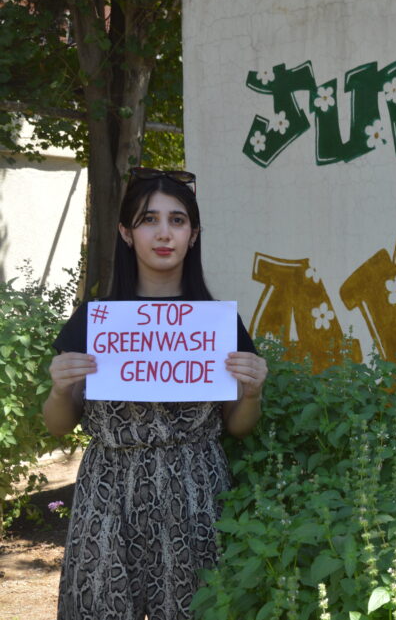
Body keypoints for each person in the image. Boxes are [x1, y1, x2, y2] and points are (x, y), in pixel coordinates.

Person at [44, 167, 267, 620]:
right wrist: (60, 388)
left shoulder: (216, 325)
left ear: (194, 234)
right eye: (149, 220)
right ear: (127, 233)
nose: (164, 233)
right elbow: (58, 423)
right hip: (107, 492)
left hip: (195, 492)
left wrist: (252, 394)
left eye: (177, 220)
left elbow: (238, 428)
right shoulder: (95, 321)